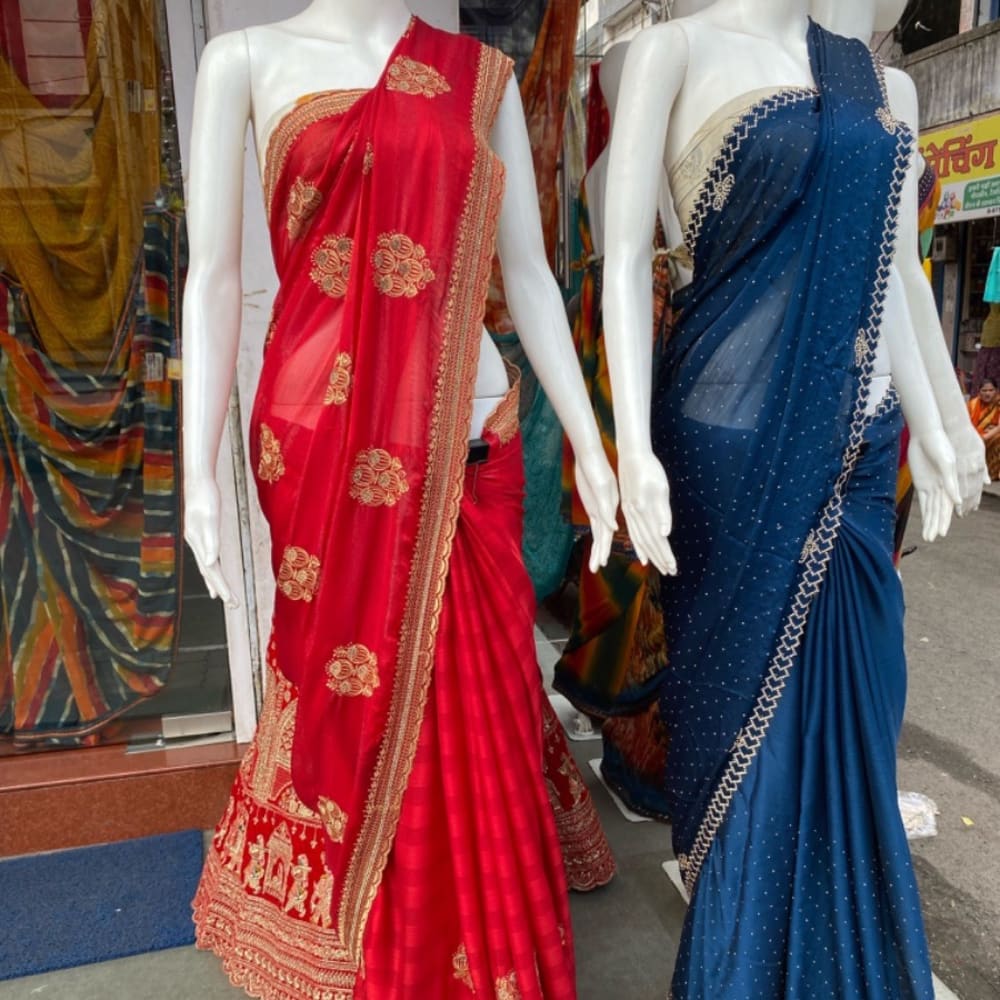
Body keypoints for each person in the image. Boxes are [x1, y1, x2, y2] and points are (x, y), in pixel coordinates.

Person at [181, 1, 620, 996]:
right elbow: (213, 279)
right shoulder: (240, 58)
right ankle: (380, 953)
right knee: (355, 710)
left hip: (470, 442)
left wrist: (593, 447)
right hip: (324, 452)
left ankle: (483, 952)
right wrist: (196, 472)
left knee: (482, 715)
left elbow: (528, 275)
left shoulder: (476, 74)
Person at [600, 0, 986, 996]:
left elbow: (896, 274)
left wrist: (945, 426)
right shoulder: (667, 51)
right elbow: (622, 263)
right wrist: (631, 449)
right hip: (728, 452)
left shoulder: (883, 86)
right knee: (747, 738)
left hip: (860, 449)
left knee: (858, 715)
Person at [969, 377, 1000, 481]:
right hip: (974, 439)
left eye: (991, 390)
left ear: (996, 391)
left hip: (989, 438)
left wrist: (985, 436)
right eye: (984, 390)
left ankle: (994, 472)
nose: (987, 393)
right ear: (979, 392)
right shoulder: (972, 405)